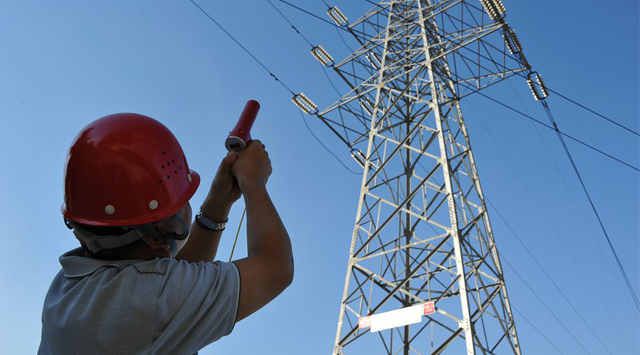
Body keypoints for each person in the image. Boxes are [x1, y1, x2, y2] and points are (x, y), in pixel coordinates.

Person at [38, 113, 294, 354]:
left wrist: (218, 204)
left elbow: (170, 284)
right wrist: (253, 182)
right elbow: (275, 268)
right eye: (178, 208)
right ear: (156, 237)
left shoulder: (70, 286)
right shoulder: (147, 301)